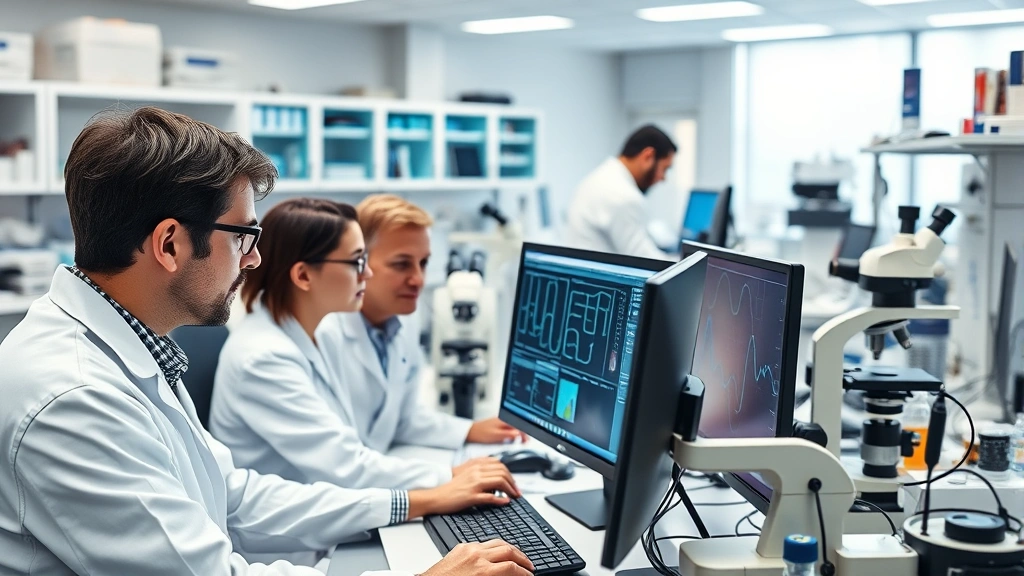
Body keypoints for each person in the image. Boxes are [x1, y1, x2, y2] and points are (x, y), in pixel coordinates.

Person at [0, 107, 532, 576]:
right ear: (169, 244)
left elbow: (233, 495)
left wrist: (414, 502)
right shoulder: (74, 397)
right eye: (244, 237)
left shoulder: (134, 348)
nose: (254, 259)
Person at [213, 194, 524, 492]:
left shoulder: (308, 333)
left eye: (424, 263)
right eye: (358, 261)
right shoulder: (267, 355)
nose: (368, 273)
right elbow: (346, 465)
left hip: (338, 501)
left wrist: (466, 435)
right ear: (304, 276)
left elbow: (389, 424)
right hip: (295, 534)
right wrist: (450, 477)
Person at [565, 124, 677, 259]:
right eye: (664, 169)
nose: (663, 178)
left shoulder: (602, 177)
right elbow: (645, 260)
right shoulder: (623, 195)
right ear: (648, 156)